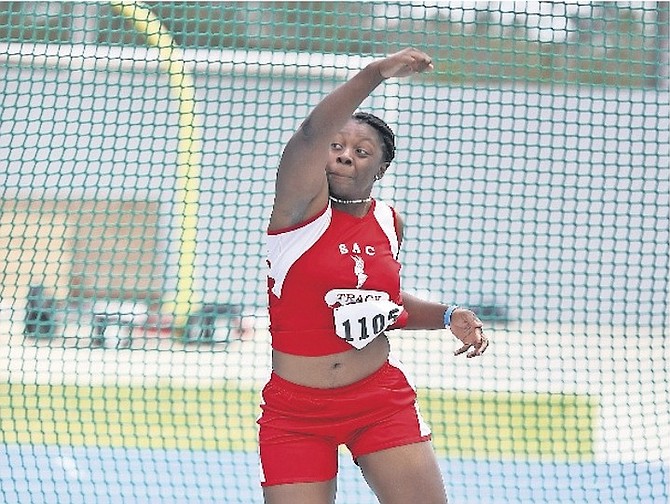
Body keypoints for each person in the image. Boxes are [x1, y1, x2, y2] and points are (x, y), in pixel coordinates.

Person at [258, 47, 489, 504]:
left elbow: (381, 302)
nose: (345, 156)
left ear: (380, 170)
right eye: (337, 147)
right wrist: (376, 73)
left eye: (361, 152)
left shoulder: (388, 222)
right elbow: (310, 133)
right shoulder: (298, 209)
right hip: (295, 411)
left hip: (378, 400)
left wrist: (447, 316)